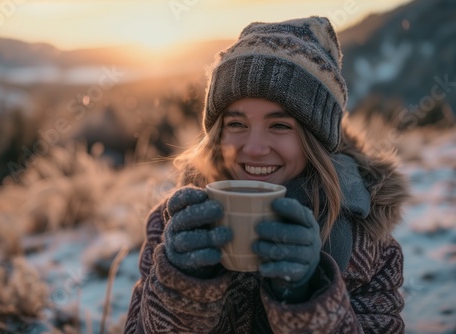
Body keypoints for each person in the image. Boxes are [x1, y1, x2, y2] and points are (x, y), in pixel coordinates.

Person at [124, 16, 409, 333]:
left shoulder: (368, 241)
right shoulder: (173, 226)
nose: (255, 148)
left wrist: (306, 294)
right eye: (236, 124)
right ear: (218, 134)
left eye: (280, 125)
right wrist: (183, 286)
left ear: (315, 140)